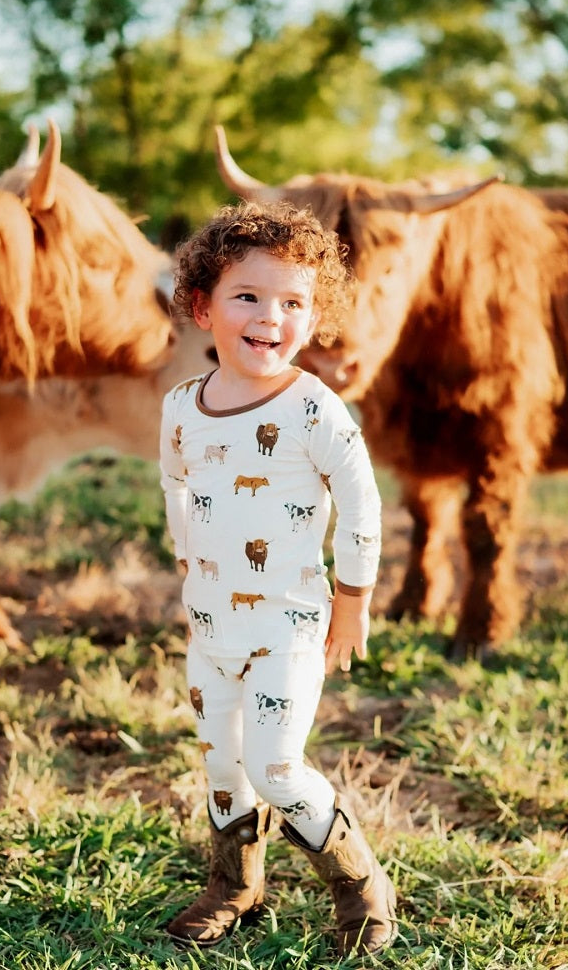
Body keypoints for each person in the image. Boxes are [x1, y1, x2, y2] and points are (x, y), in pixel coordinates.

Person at [158, 201, 397, 954]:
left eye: (293, 302)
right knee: (222, 764)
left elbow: (361, 502)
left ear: (313, 314)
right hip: (211, 624)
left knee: (275, 764)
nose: (271, 317)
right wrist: (187, 562)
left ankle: (359, 885)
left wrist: (353, 601)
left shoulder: (314, 410)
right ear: (204, 308)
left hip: (289, 625)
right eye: (248, 297)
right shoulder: (179, 409)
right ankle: (235, 883)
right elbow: (176, 486)